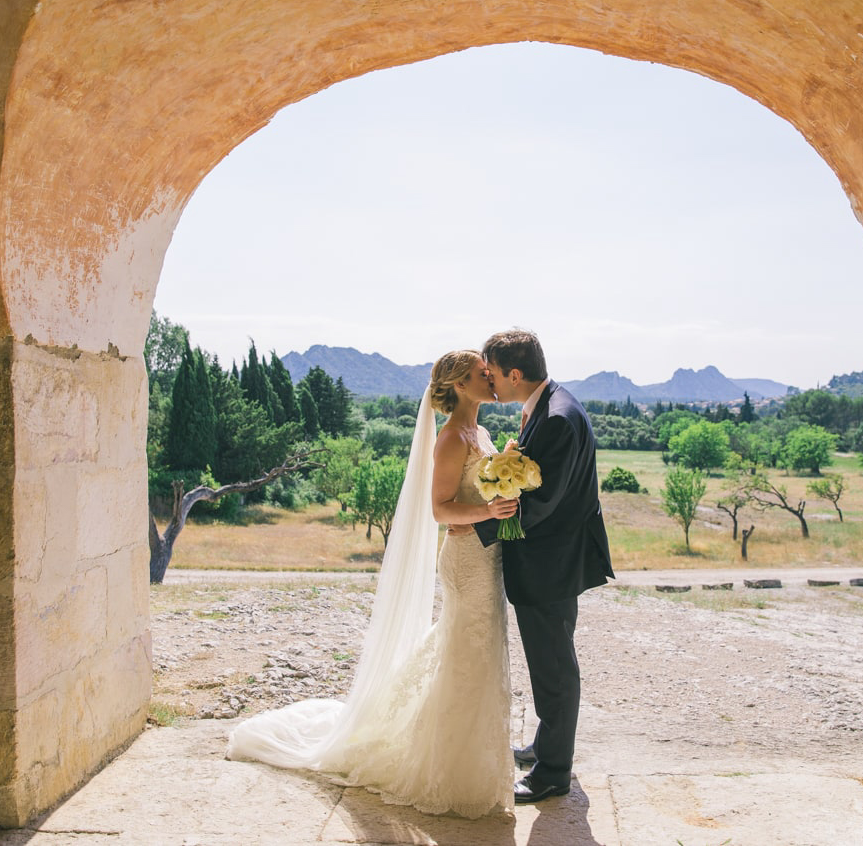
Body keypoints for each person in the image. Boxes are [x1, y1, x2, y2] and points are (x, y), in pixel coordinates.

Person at [226, 350, 519, 819]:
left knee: (475, 654)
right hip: (465, 561)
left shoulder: (480, 433)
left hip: (489, 560)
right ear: (461, 386)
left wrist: (504, 477)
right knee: (467, 653)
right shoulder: (449, 440)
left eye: (489, 373)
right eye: (482, 375)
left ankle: (474, 762)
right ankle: (450, 769)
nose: (492, 379)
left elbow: (475, 491)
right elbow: (441, 510)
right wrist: (489, 510)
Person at [473, 328, 614, 804]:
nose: (489, 381)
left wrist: (475, 525)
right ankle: (545, 746)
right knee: (549, 662)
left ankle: (552, 772)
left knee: (554, 667)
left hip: (550, 562)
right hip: (553, 558)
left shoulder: (556, 418)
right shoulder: (551, 404)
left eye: (492, 373)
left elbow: (541, 502)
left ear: (515, 374)